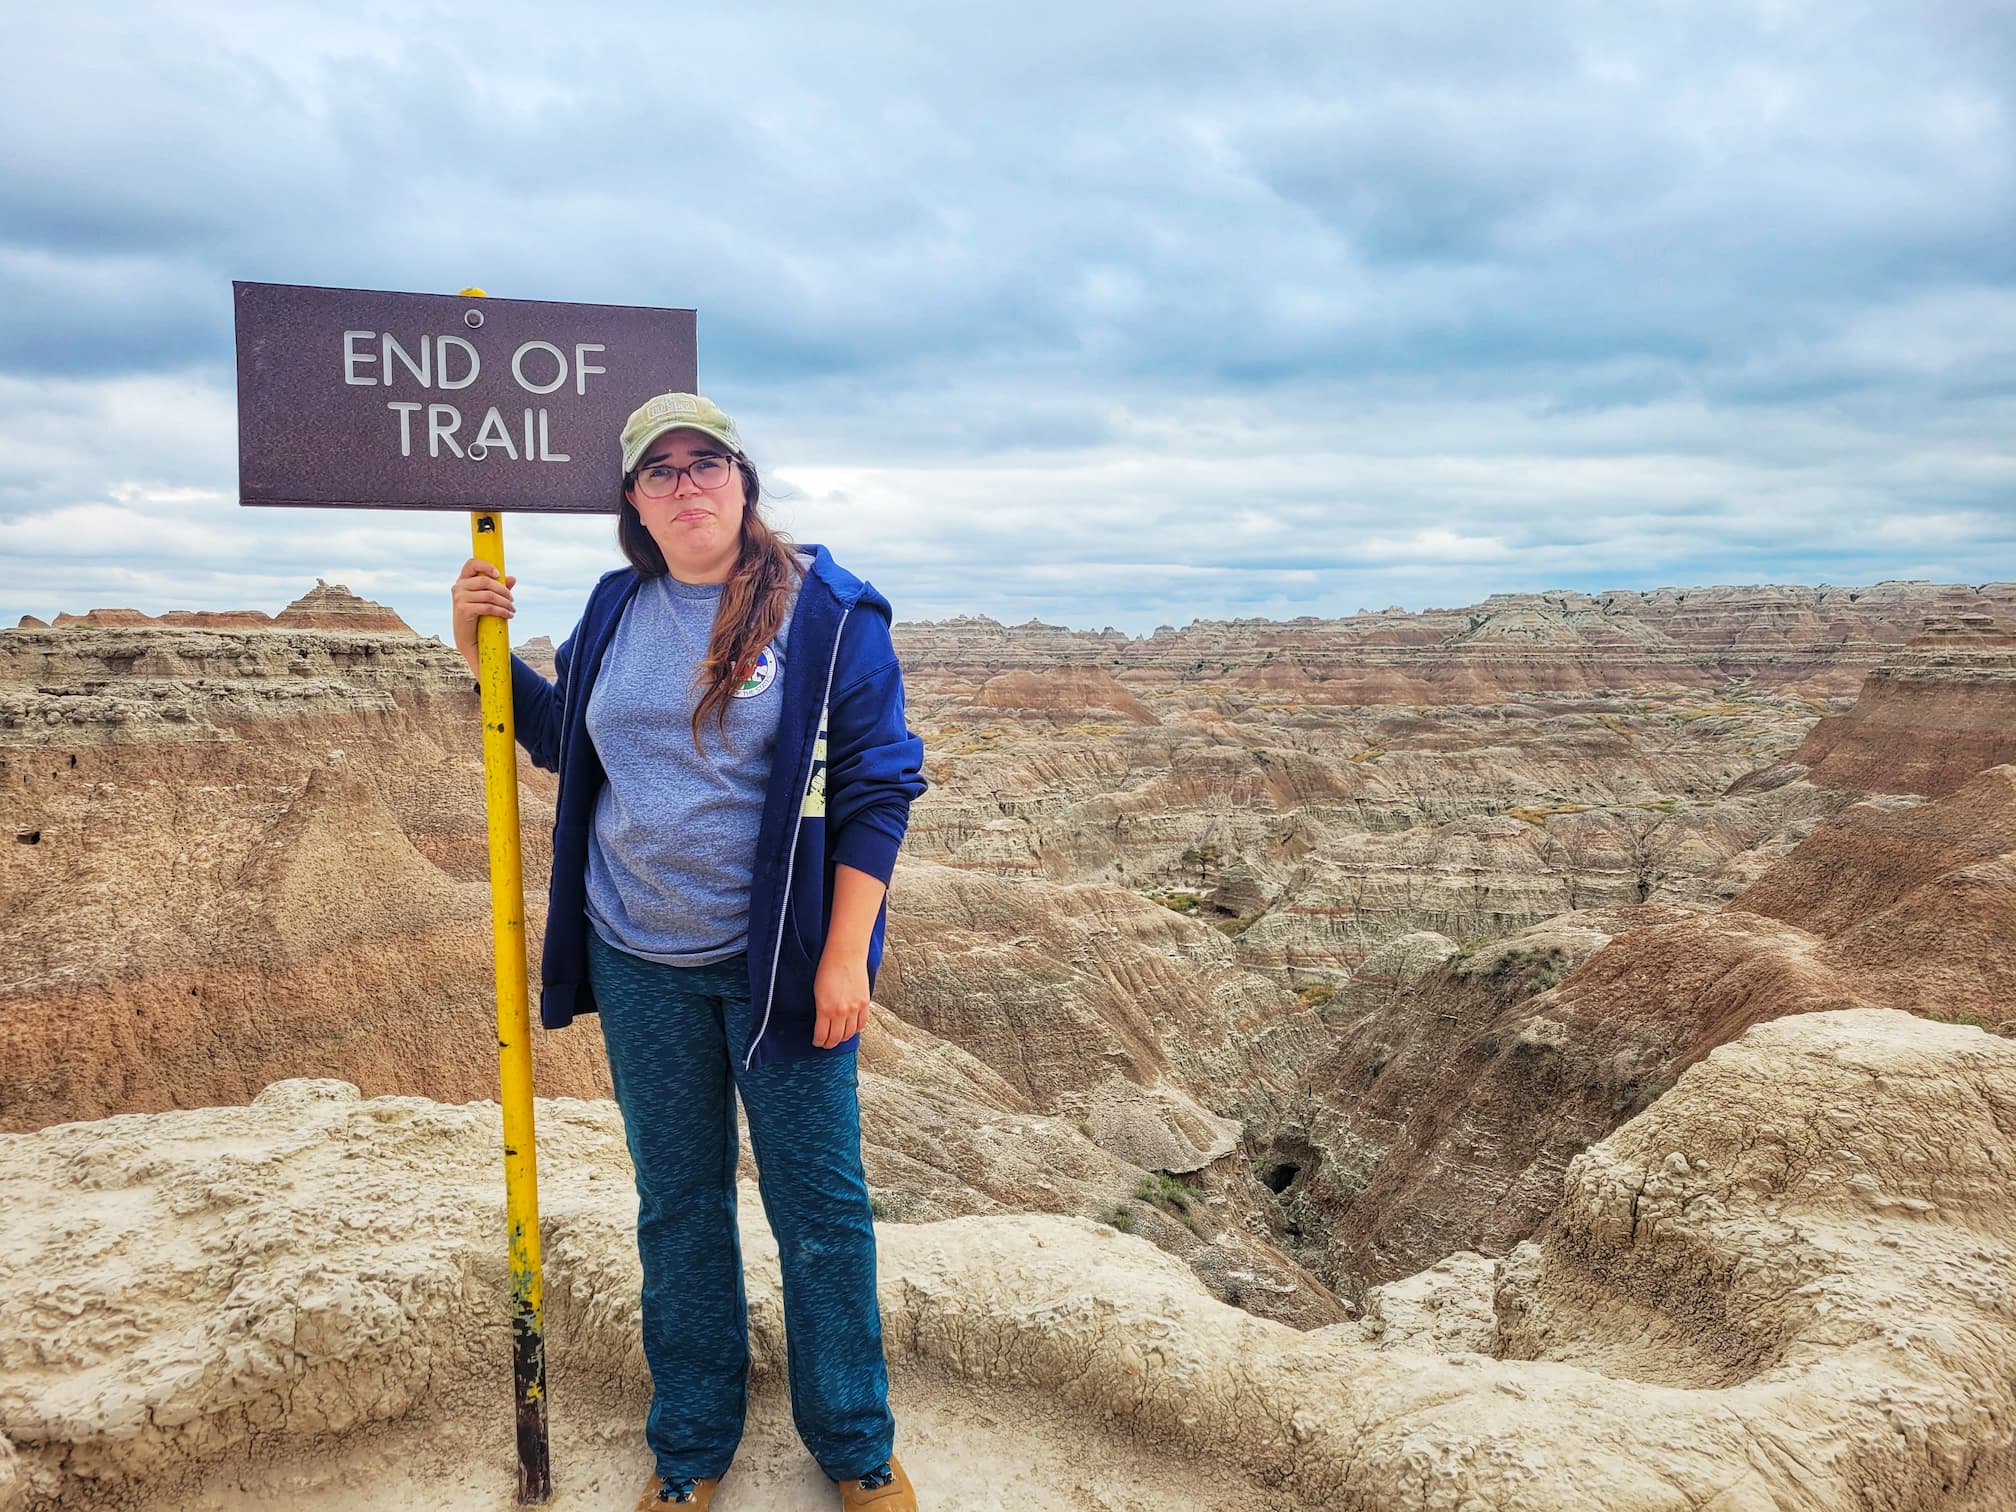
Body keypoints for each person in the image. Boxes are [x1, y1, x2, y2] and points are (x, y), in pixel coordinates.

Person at [448, 392, 927, 1511]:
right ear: (632, 502)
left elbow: (877, 788)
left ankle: (854, 1441)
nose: (686, 484)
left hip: (784, 970)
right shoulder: (617, 606)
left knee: (820, 1210)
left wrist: (847, 956)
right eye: (658, 470)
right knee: (678, 1205)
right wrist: (480, 650)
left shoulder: (830, 616)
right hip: (638, 956)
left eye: (705, 462)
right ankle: (693, 1444)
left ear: (744, 480)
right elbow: (573, 744)